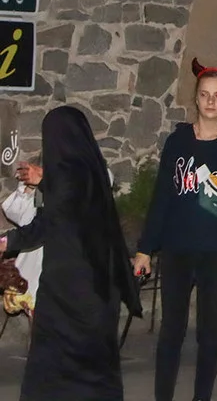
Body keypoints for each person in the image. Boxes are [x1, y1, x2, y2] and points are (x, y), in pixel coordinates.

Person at [133, 58, 217, 401]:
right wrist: (145, 248)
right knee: (171, 329)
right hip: (177, 247)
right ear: (196, 98)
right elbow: (162, 196)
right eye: (205, 94)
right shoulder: (178, 142)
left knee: (208, 329)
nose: (211, 101)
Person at [0, 107, 142, 401]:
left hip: (75, 293)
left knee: (66, 370)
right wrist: (7, 241)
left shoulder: (76, 177)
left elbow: (65, 204)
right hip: (84, 292)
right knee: (74, 368)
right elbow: (50, 219)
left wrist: (45, 181)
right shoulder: (82, 176)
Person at [1, 156, 44, 316]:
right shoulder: (40, 195)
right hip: (33, 281)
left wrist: (47, 179)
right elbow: (20, 215)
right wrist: (29, 188)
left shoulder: (87, 179)